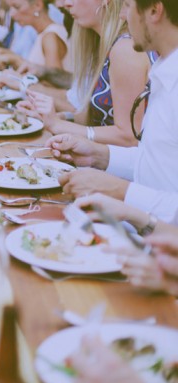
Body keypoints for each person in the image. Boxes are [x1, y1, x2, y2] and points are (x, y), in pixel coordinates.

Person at [47, 0, 178, 221]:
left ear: (155, 10)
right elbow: (157, 163)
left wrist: (120, 189)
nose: (121, 16)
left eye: (127, 6)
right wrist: (97, 155)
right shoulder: (164, 69)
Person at [20, 0, 153, 146]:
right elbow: (97, 118)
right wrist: (59, 117)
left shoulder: (125, 48)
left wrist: (59, 125)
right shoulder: (105, 44)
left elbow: (129, 137)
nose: (66, 3)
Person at [0, 0, 71, 71]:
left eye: (17, 7)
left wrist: (16, 60)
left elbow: (55, 82)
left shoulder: (50, 37)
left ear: (37, 5)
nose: (11, 14)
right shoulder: (43, 34)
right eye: (10, 8)